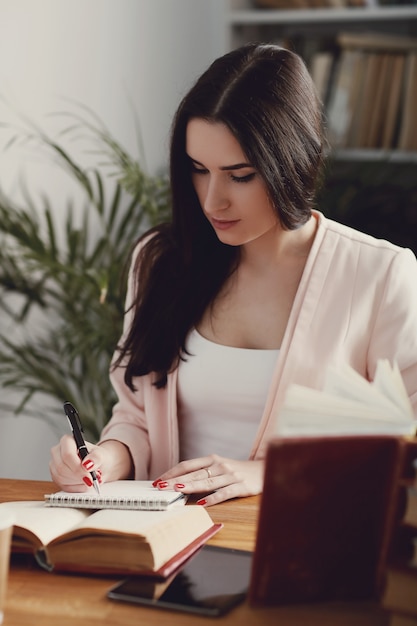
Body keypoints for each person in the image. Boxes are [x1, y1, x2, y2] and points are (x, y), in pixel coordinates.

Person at [49, 43, 417, 506]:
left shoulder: (379, 274)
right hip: (170, 540)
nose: (211, 201)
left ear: (292, 162)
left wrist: (265, 473)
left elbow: (403, 443)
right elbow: (139, 417)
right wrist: (106, 458)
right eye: (199, 170)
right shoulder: (161, 260)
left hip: (305, 548)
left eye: (239, 175)